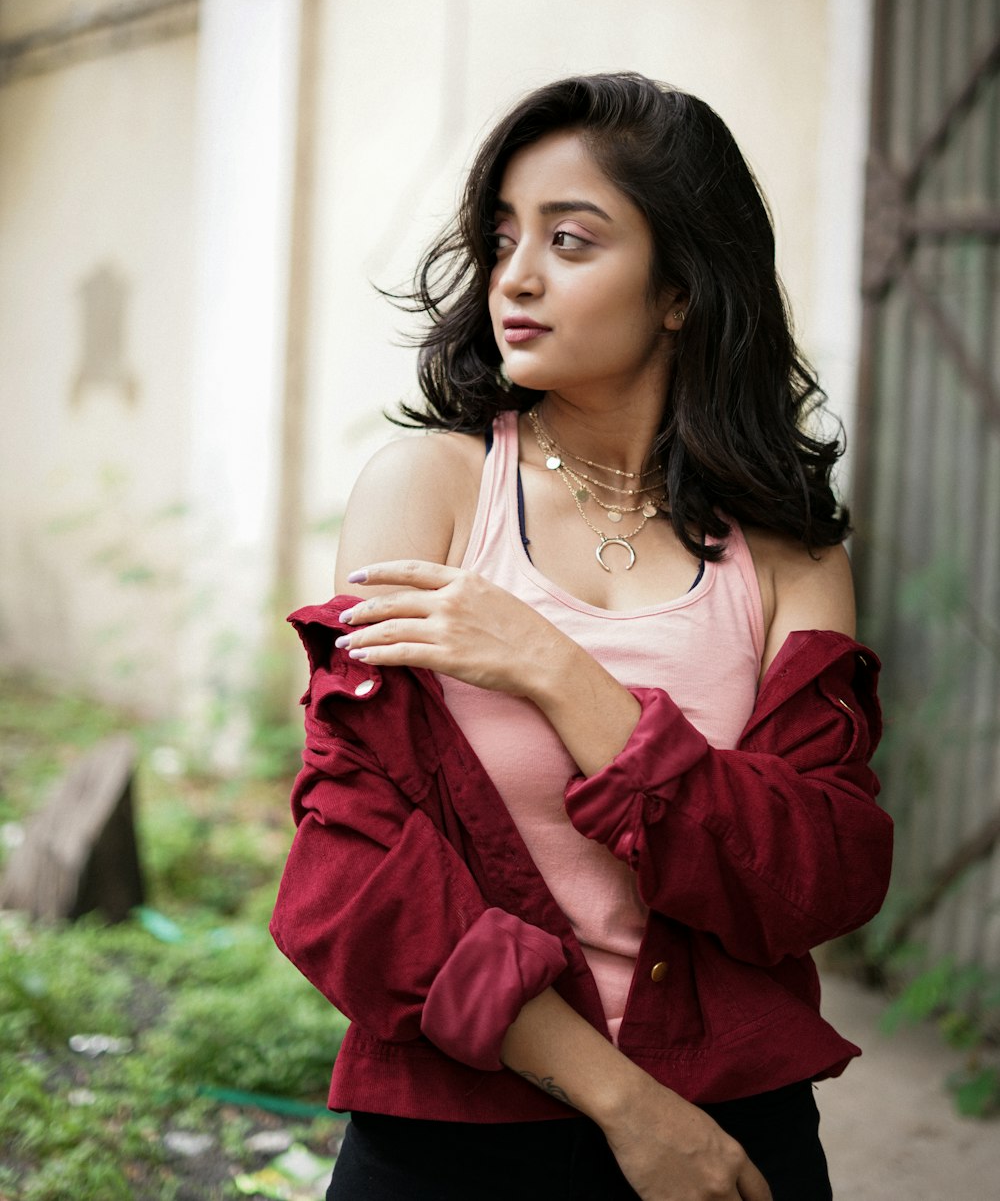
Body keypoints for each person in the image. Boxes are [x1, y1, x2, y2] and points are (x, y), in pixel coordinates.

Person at [270, 73, 893, 1201]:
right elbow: (347, 866)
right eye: (502, 235)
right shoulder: (430, 491)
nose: (514, 274)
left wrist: (556, 670)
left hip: (734, 1132)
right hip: (452, 1127)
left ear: (678, 289)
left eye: (570, 238)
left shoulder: (790, 555)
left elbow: (818, 875)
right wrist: (625, 1101)